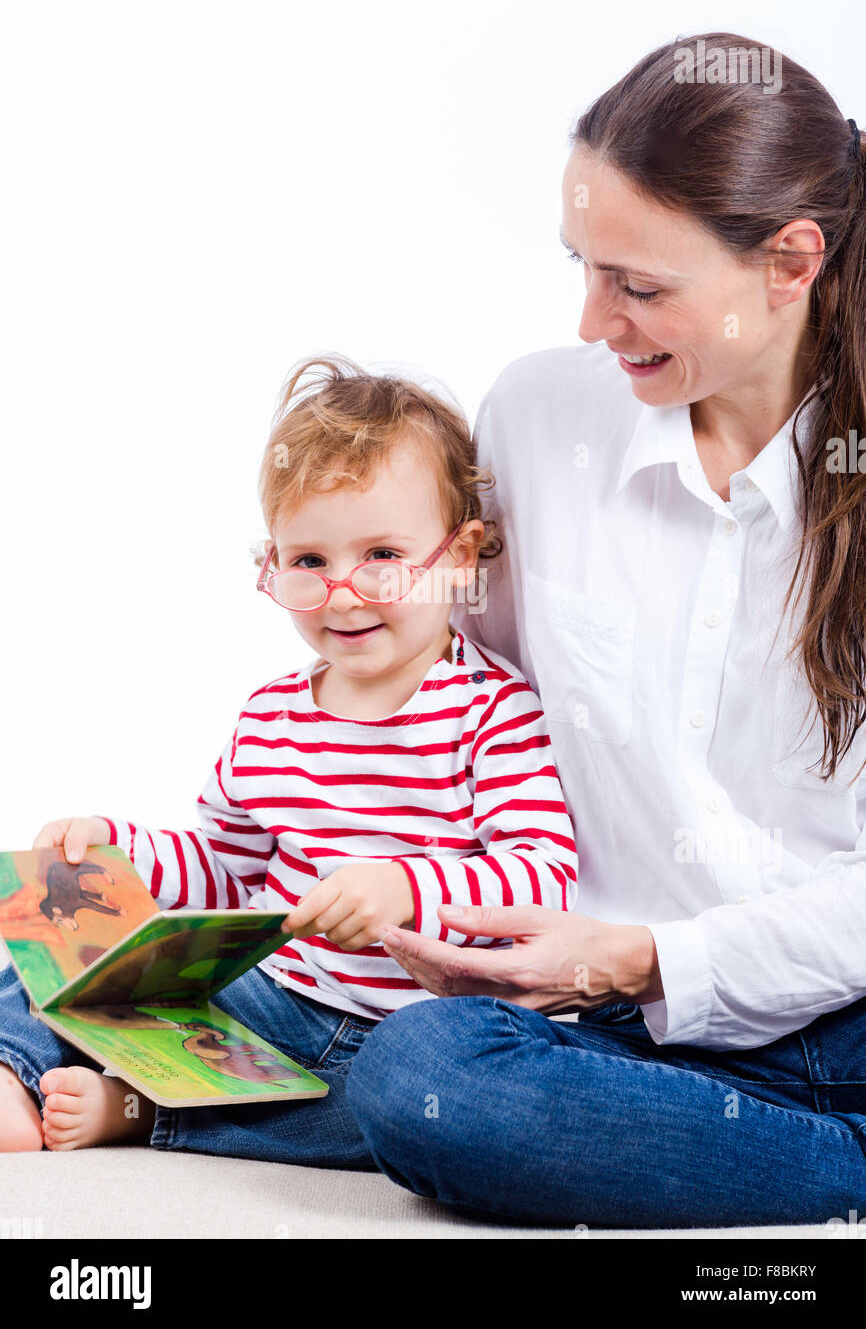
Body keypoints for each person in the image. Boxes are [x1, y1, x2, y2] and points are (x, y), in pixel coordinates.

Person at [343, 31, 866, 1229]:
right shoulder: (537, 416)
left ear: (790, 262)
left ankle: (787, 1153)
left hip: (829, 1008)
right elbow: (464, 692)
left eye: (637, 285)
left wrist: (644, 957)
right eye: (581, 267)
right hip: (615, 1025)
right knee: (417, 1069)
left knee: (402, 1088)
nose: (591, 320)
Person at [0, 354, 578, 1159]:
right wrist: (119, 852)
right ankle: (14, 1072)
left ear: (460, 553)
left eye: (381, 555)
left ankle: (142, 1111)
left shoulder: (491, 708)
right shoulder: (272, 715)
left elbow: (542, 873)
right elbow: (228, 867)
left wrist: (403, 887)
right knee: (54, 949)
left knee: (411, 1112)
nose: (343, 590)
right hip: (273, 996)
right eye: (310, 561)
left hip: (412, 1029)